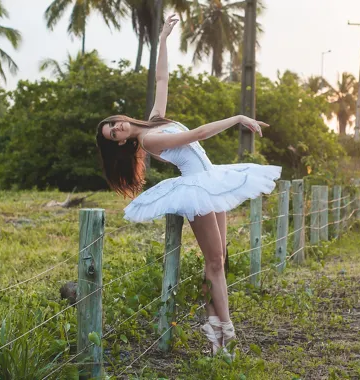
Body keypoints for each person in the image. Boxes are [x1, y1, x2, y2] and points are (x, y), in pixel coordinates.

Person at [96, 14, 281, 357]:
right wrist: (239, 117)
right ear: (120, 144)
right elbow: (196, 134)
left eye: (114, 124)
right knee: (213, 261)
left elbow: (162, 78)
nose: (118, 128)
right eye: (114, 134)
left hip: (210, 179)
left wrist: (164, 39)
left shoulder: (154, 121)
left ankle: (213, 328)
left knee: (220, 259)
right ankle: (226, 331)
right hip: (196, 189)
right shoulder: (151, 139)